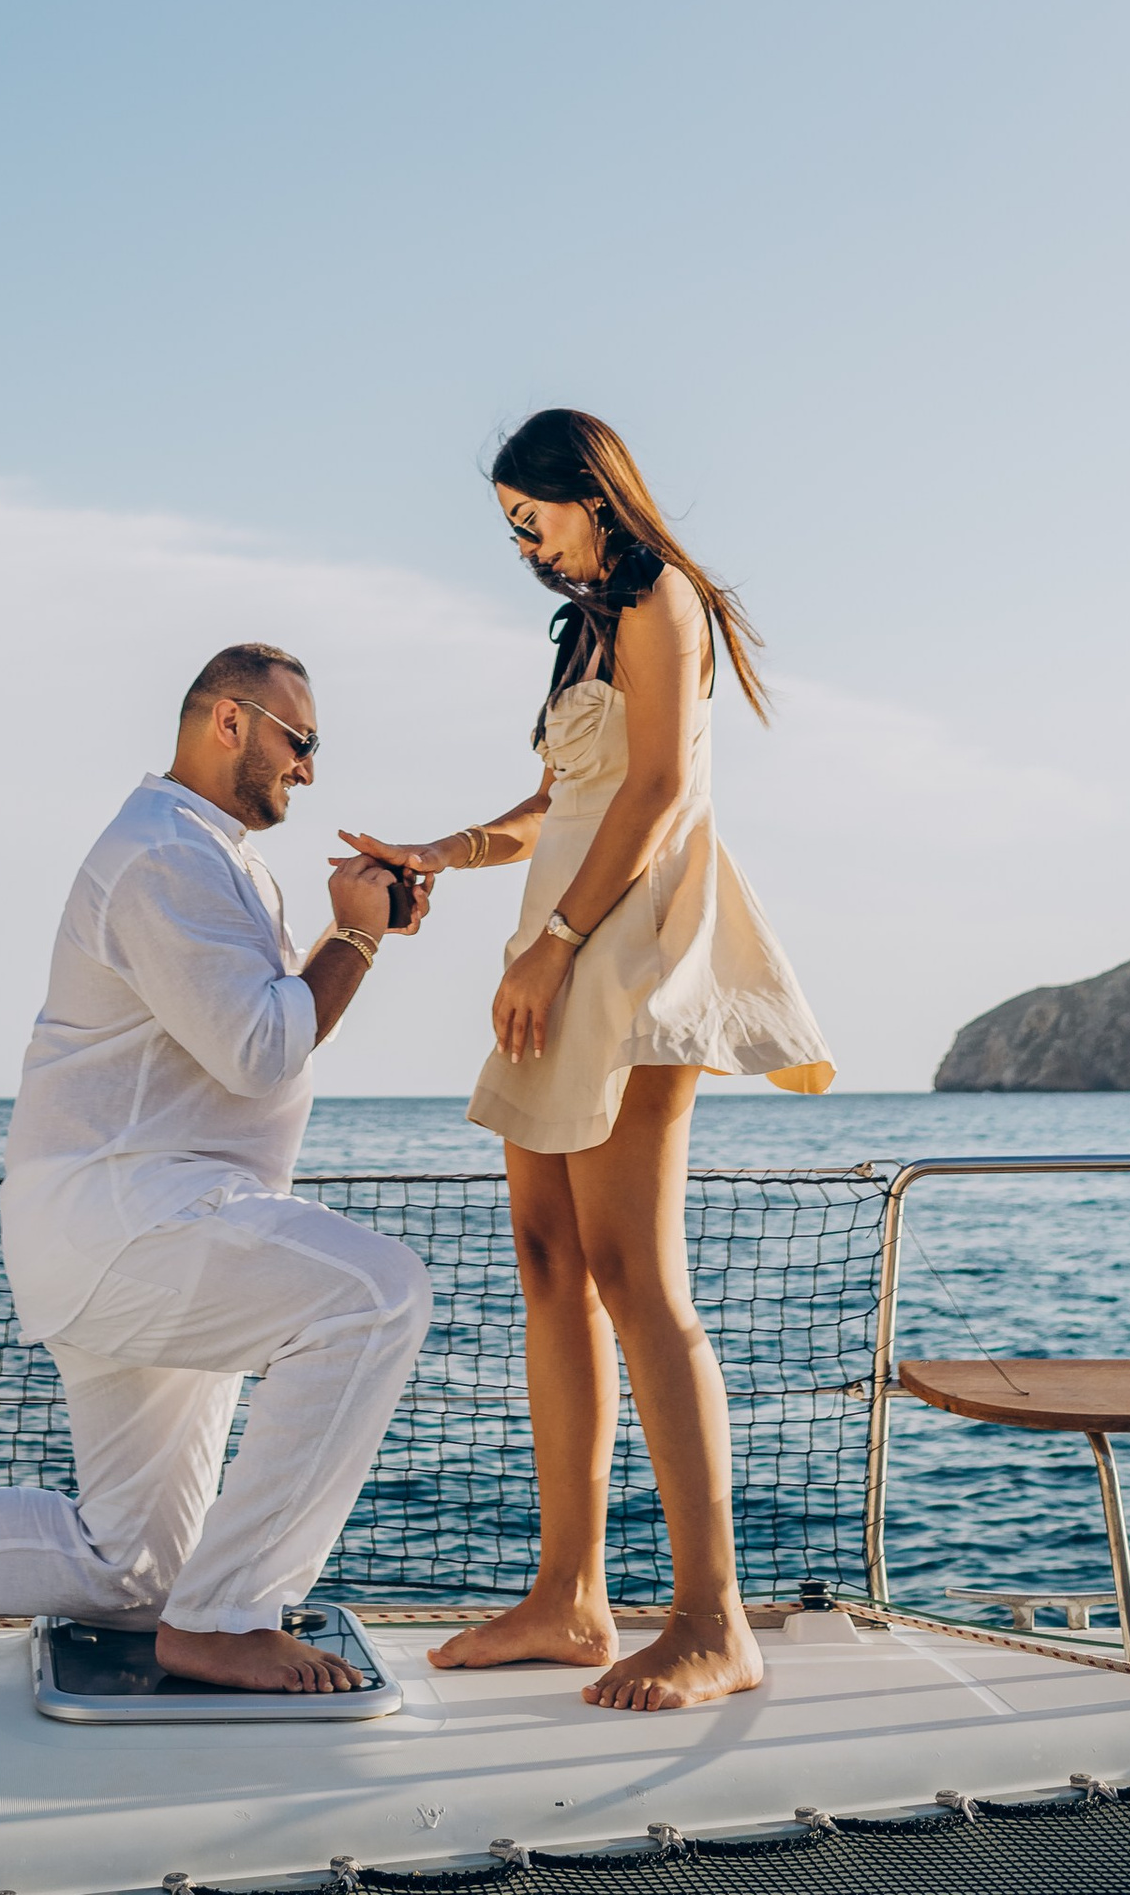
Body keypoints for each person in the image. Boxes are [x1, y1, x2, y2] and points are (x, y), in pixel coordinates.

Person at [0, 641, 433, 1691]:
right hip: (132, 1226)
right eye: (298, 742)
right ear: (229, 720)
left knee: (130, 1572)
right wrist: (353, 940)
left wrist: (355, 941)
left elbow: (259, 1040)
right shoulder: (167, 855)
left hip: (148, 1227)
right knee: (377, 1295)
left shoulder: (204, 855)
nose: (309, 770)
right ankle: (226, 1619)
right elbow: (264, 1050)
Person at [344, 408, 830, 1715]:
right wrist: (436, 855)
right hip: (554, 952)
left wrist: (556, 945)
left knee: (635, 1271)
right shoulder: (586, 629)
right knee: (550, 1263)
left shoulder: (664, 597)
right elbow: (562, 804)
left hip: (622, 959)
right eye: (509, 522)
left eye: (532, 515)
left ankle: (714, 1620)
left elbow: (661, 789)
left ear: (596, 496)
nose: (521, 540)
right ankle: (570, 1599)